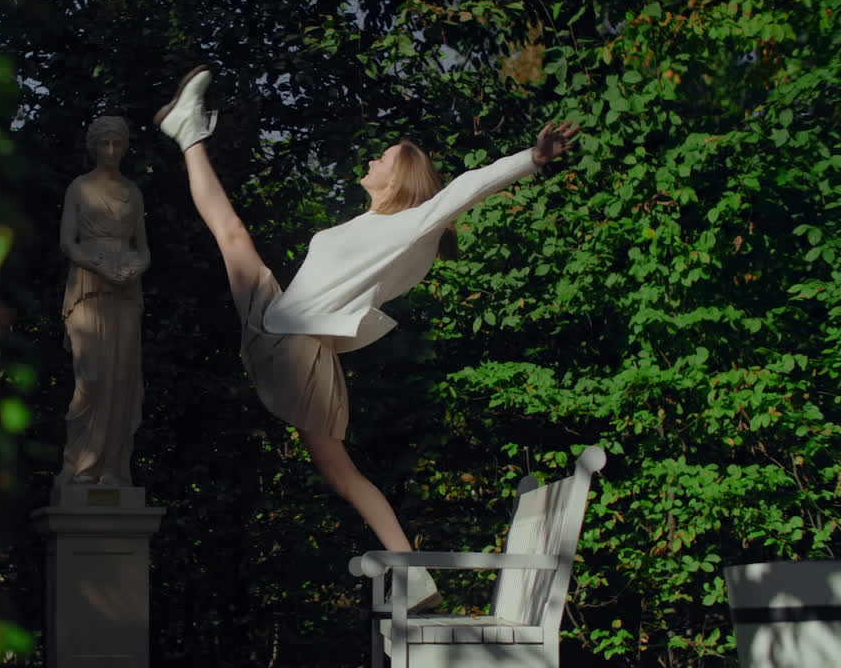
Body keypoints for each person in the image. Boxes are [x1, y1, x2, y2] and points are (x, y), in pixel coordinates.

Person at [154, 65, 580, 610]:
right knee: (341, 473)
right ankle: (416, 579)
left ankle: (188, 131)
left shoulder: (410, 226)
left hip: (293, 339)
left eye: (382, 157)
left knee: (232, 236)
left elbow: (465, 188)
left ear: (401, 176)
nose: (372, 160)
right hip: (293, 335)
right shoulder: (374, 226)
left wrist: (532, 160)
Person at [57, 116, 150, 490]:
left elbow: (143, 248)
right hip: (89, 285)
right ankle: (79, 465)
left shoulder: (133, 192)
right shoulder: (79, 188)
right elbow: (68, 242)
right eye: (104, 144)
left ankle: (112, 469)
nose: (111, 151)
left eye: (117, 143)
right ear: (93, 146)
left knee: (122, 377)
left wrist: (135, 268)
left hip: (126, 288)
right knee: (92, 377)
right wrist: (98, 265)